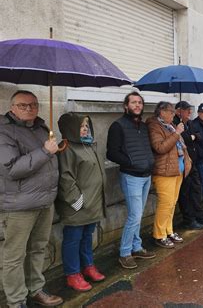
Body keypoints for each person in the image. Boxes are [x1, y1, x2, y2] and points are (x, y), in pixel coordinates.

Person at [0, 90, 63, 308]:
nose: (29, 109)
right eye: (23, 105)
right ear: (12, 108)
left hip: (45, 202)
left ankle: (35, 289)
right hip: (18, 207)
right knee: (14, 257)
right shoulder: (4, 131)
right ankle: (16, 301)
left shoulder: (41, 127)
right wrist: (46, 151)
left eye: (33, 105)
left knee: (38, 249)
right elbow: (12, 169)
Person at [56, 113, 106, 292]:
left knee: (86, 237)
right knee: (73, 239)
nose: (85, 129)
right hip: (77, 206)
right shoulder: (66, 148)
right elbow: (65, 178)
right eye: (81, 126)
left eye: (86, 125)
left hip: (92, 204)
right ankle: (72, 274)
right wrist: (78, 201)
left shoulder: (88, 145)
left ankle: (88, 266)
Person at [107, 92, 156, 270]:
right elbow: (111, 152)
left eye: (140, 103)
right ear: (125, 106)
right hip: (131, 177)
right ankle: (125, 253)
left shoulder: (143, 127)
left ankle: (136, 247)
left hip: (146, 176)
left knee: (138, 215)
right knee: (134, 216)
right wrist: (132, 163)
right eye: (133, 102)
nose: (137, 105)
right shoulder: (118, 126)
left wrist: (149, 162)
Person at [147, 101, 192, 248]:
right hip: (164, 171)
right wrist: (177, 133)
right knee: (165, 204)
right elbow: (160, 147)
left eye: (174, 112)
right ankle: (159, 235)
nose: (173, 114)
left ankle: (168, 230)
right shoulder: (154, 126)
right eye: (171, 112)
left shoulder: (170, 125)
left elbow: (180, 145)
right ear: (161, 112)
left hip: (177, 169)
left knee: (172, 203)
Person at [173, 101, 203, 230]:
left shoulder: (189, 123)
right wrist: (189, 136)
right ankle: (189, 219)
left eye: (190, 110)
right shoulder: (175, 123)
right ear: (179, 111)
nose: (190, 113)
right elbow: (183, 139)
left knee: (196, 190)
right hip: (182, 163)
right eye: (187, 111)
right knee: (185, 193)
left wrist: (192, 136)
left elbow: (198, 136)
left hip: (192, 161)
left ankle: (200, 216)